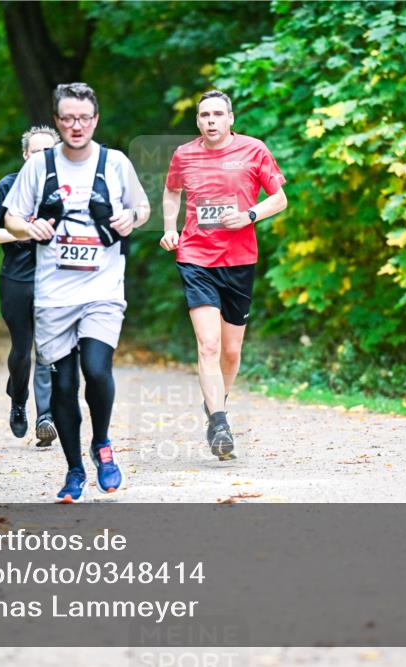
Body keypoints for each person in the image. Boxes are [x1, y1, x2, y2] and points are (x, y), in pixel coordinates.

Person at [4, 82, 150, 503]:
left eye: (83, 118)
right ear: (57, 121)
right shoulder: (40, 166)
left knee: (98, 370)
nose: (76, 125)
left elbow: (142, 209)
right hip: (53, 295)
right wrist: (27, 226)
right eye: (67, 118)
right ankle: (73, 470)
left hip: (103, 288)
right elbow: (12, 215)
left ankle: (101, 443)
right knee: (64, 387)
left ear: (95, 120)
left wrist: (130, 219)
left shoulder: (115, 163)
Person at [160, 90, 287, 461]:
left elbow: (279, 198)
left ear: (231, 118)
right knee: (209, 345)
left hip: (239, 261)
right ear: (197, 121)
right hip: (196, 257)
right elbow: (171, 192)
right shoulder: (184, 154)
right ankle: (219, 422)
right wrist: (171, 228)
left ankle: (217, 401)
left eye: (218, 114)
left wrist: (249, 215)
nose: (210, 120)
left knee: (231, 352)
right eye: (204, 115)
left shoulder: (253, 149)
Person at [0, 125, 61, 448]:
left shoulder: (62, 190)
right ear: (26, 155)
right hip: (16, 278)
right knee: (20, 350)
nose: (41, 157)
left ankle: (45, 417)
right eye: (36, 151)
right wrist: (25, 232)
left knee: (47, 349)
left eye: (48, 152)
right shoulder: (8, 186)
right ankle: (18, 397)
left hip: (53, 280)